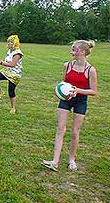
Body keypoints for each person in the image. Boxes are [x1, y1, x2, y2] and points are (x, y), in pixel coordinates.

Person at [42, 40, 97, 172]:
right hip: (66, 100)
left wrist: (77, 90)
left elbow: (93, 91)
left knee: (74, 132)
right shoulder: (67, 65)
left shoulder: (90, 70)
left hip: (81, 101)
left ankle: (71, 159)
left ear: (82, 52)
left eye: (74, 50)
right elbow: (63, 83)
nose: (71, 52)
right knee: (60, 128)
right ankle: (54, 161)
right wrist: (59, 91)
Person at [0, 35, 24, 114]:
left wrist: (1, 62)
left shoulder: (17, 53)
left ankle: (13, 108)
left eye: (11, 42)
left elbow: (12, 64)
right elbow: (7, 61)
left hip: (15, 75)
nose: (9, 44)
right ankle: (0, 92)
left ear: (15, 43)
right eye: (8, 42)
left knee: (11, 91)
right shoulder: (10, 51)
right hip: (7, 71)